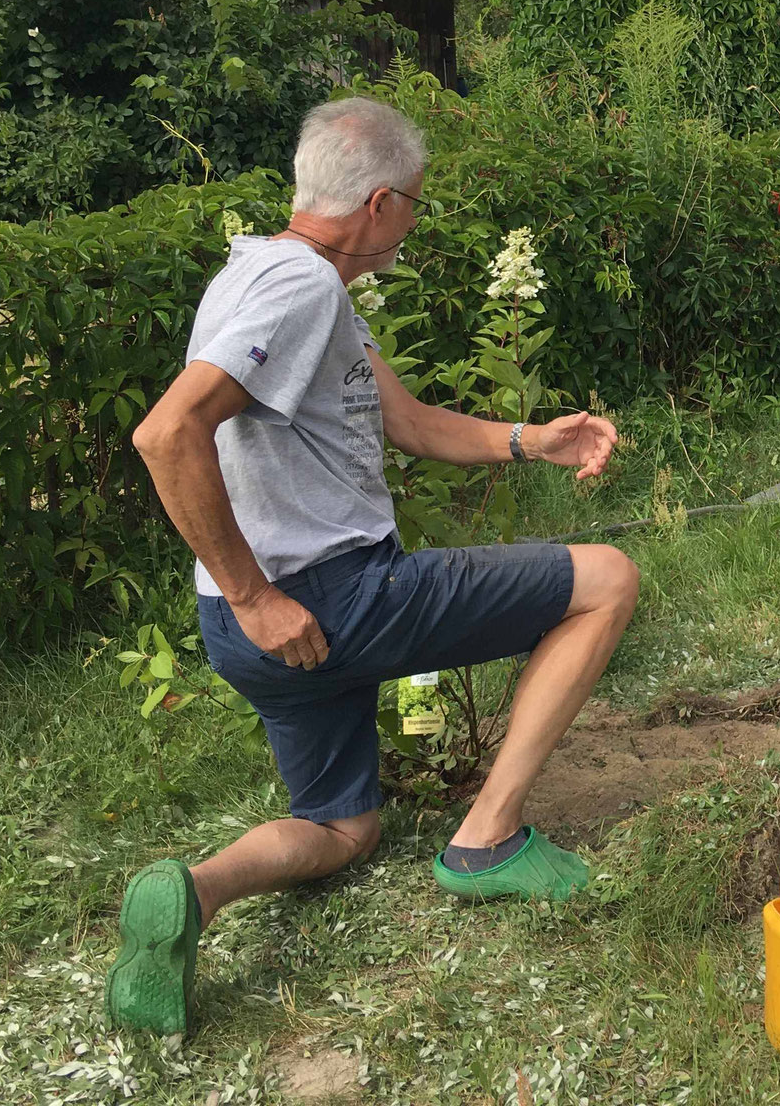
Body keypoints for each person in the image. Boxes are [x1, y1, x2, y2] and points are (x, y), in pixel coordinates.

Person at [106, 97, 639, 1037]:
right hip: (323, 600)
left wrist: (532, 439)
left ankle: (193, 893)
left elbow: (412, 423)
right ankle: (487, 839)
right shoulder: (302, 289)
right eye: (418, 204)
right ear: (382, 204)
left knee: (343, 829)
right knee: (606, 581)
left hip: (252, 635)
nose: (417, 221)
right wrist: (257, 593)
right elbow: (166, 432)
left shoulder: (268, 276)